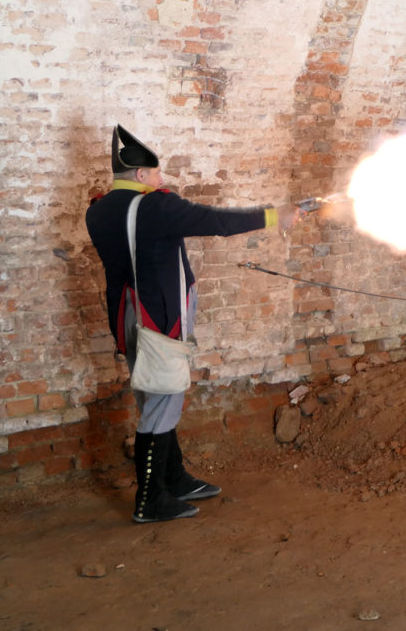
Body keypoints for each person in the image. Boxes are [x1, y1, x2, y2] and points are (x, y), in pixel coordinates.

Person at [86, 125, 301, 523]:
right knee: (162, 399)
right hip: (158, 317)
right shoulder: (155, 207)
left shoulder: (98, 209)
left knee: (155, 397)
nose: (161, 180)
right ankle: (150, 500)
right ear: (140, 176)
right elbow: (215, 221)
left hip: (126, 316)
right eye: (156, 174)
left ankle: (175, 478)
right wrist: (276, 215)